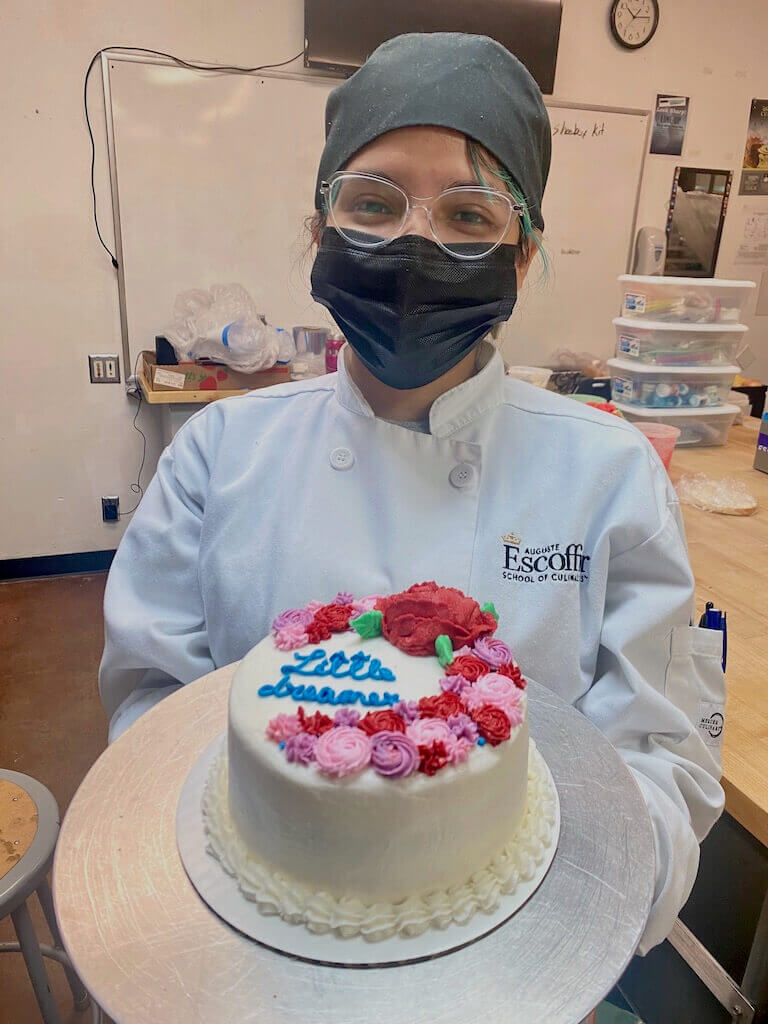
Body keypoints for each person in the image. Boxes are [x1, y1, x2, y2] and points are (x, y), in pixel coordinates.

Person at [99, 33, 725, 954]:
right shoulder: (220, 452)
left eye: (471, 216)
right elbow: (153, 711)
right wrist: (243, 894)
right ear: (320, 234)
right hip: (258, 944)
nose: (414, 242)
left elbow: (660, 758)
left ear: (521, 258)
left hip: (522, 959)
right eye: (373, 203)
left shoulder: (609, 472)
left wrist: (571, 930)